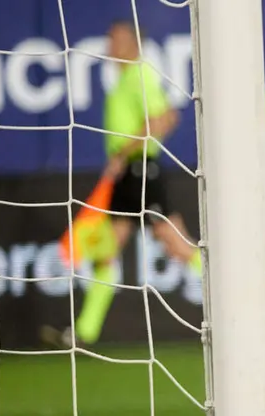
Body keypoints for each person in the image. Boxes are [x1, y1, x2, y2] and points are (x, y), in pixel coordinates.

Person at [43, 19, 198, 349]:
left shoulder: (139, 75)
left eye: (114, 40)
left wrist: (124, 153)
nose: (109, 47)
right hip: (127, 172)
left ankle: (228, 300)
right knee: (106, 251)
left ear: (132, 43)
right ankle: (84, 332)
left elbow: (164, 118)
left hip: (140, 169)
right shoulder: (125, 79)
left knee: (173, 242)